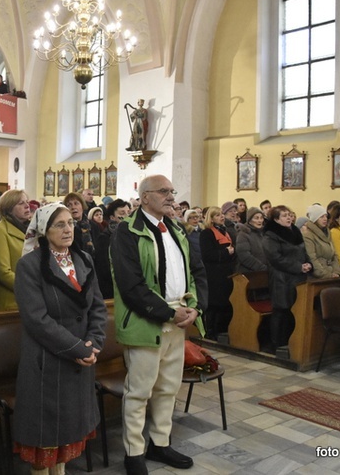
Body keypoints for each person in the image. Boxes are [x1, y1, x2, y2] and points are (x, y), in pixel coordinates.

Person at [110, 174, 205, 475]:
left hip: (178, 321)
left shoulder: (176, 229)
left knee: (168, 388)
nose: (170, 196)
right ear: (145, 196)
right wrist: (167, 312)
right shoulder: (126, 232)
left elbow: (191, 273)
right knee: (139, 391)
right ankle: (134, 452)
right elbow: (130, 285)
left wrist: (193, 308)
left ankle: (160, 443)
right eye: (163, 191)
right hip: (145, 321)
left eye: (171, 191)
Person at [13, 203, 107, 475]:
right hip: (47, 361)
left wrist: (95, 342)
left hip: (81, 361)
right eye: (59, 224)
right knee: (46, 440)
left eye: (70, 223)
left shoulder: (84, 260)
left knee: (66, 436)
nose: (68, 229)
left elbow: (98, 307)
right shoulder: (29, 265)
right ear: (44, 230)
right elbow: (36, 319)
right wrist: (78, 347)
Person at [262, 205, 312, 352]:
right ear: (276, 219)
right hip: (281, 278)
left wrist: (308, 263)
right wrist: (298, 267)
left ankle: (290, 341)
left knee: (293, 310)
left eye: (290, 215)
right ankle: (277, 343)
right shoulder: (271, 235)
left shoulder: (295, 231)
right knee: (281, 309)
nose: (289, 217)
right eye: (284, 215)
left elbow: (303, 250)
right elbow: (275, 258)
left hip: (298, 278)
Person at [200, 206, 236, 339]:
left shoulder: (226, 232)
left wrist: (231, 253)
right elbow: (207, 255)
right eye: (217, 215)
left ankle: (221, 330)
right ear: (211, 218)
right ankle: (210, 331)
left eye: (222, 214)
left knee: (224, 302)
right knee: (214, 303)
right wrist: (226, 252)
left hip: (226, 272)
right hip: (214, 273)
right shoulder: (207, 233)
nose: (221, 217)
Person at [93, 198, 129, 299]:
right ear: (112, 217)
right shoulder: (104, 238)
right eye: (122, 213)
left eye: (128, 212)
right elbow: (104, 269)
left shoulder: (129, 236)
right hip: (112, 290)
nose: (127, 216)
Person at [303, 204, 340, 279]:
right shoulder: (308, 235)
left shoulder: (328, 233)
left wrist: (337, 272)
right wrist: (326, 275)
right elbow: (312, 258)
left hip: (332, 274)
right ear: (315, 219)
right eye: (321, 217)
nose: (325, 219)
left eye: (326, 216)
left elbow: (334, 255)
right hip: (318, 277)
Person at [236, 206, 268, 273]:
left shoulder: (264, 233)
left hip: (265, 273)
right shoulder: (243, 234)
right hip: (249, 274)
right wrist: (262, 267)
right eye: (256, 218)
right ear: (249, 220)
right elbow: (244, 255)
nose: (260, 220)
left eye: (261, 218)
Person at [63, 192, 96, 256]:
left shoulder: (93, 226)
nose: (73, 207)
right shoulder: (66, 229)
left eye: (76, 203)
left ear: (82, 206)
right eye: (69, 205)